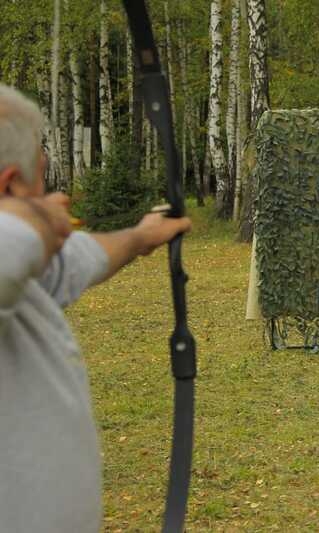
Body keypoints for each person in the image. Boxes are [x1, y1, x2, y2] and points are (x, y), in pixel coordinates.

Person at [0, 84, 191, 532]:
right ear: (10, 184)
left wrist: (141, 237)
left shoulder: (19, 269)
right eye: (40, 174)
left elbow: (71, 263)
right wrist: (25, 222)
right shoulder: (12, 249)